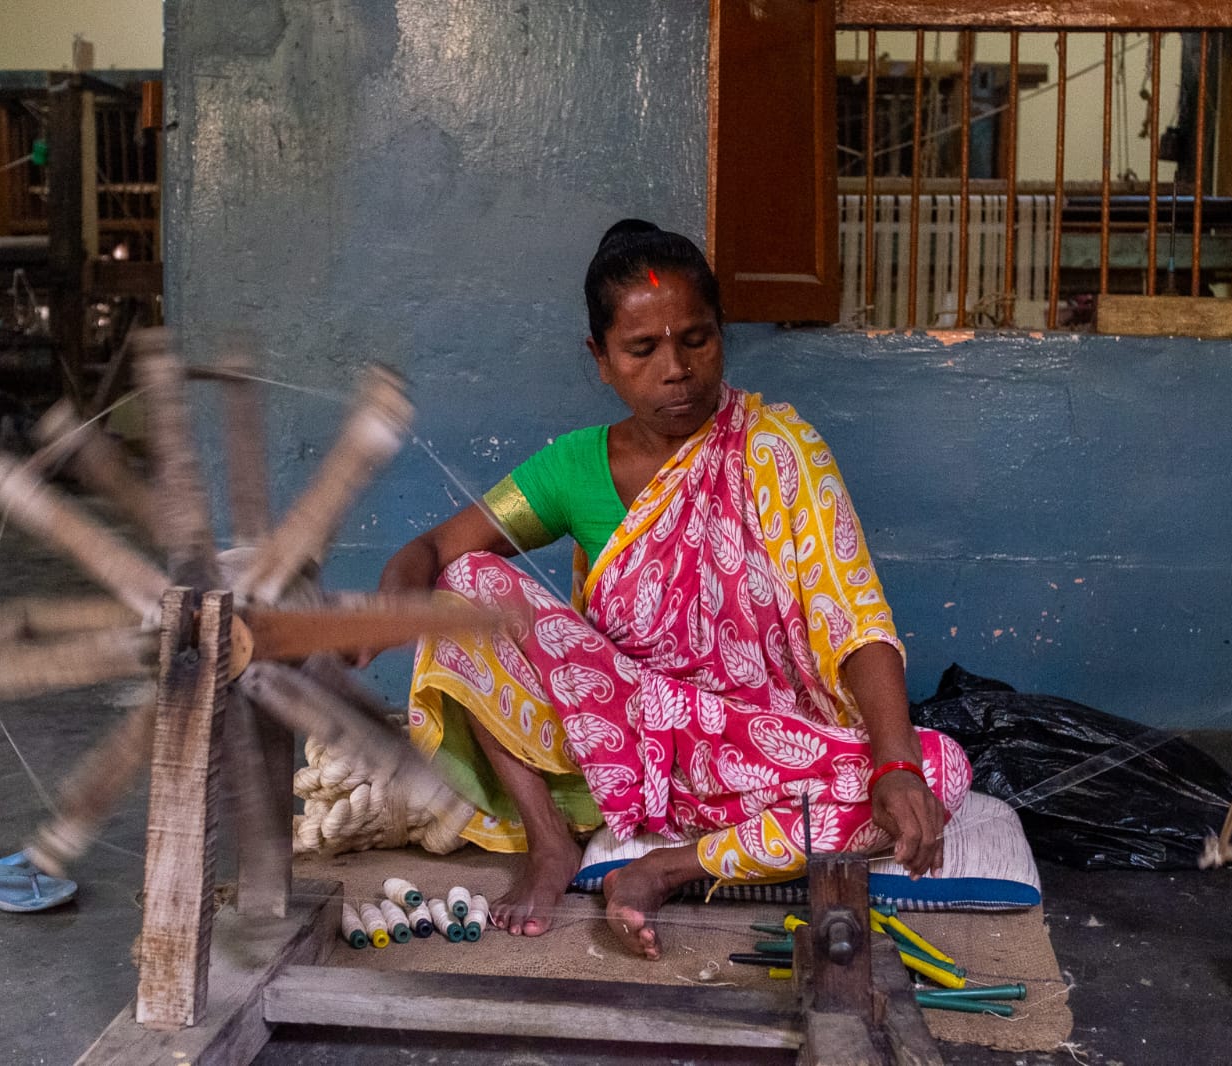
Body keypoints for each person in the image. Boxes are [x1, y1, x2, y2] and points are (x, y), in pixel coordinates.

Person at [375, 220, 970, 959]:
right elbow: (433, 549)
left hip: (755, 745)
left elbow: (850, 610)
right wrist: (384, 608)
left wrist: (897, 764)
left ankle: (667, 867)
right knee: (464, 585)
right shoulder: (573, 469)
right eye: (642, 348)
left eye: (696, 339)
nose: (676, 369)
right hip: (620, 741)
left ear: (721, 336)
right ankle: (550, 839)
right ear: (600, 359)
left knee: (938, 766)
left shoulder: (780, 450)